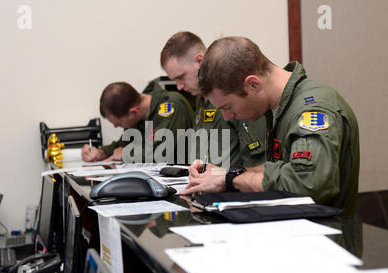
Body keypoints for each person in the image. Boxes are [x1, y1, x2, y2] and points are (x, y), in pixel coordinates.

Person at [181, 36, 360, 219]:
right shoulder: (278, 108)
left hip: (325, 240)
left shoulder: (312, 109)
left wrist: (230, 179)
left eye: (228, 107)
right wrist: (221, 173)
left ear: (253, 84)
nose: (227, 117)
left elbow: (307, 181)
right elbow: (280, 168)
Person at [160, 31, 266, 167]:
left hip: (233, 185)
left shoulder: (235, 93)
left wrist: (227, 179)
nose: (179, 86)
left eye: (181, 77)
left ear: (199, 61)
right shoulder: (200, 99)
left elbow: (257, 165)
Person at [81, 81, 194, 164]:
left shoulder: (170, 106)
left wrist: (126, 153)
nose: (115, 127)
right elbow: (124, 143)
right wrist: (101, 152)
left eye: (119, 123)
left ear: (133, 112)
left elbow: (161, 151)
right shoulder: (138, 116)